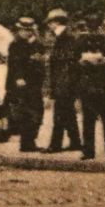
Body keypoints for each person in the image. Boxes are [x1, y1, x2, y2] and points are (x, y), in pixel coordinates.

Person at [73, 14, 105, 160]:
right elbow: (71, 63)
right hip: (89, 85)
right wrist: (81, 63)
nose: (94, 31)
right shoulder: (80, 42)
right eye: (91, 28)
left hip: (104, 85)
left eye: (96, 28)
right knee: (89, 120)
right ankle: (89, 151)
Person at [42, 9, 82, 153]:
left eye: (50, 23)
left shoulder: (66, 38)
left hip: (64, 83)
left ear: (57, 22)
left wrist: (60, 85)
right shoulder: (64, 37)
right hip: (64, 83)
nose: (49, 26)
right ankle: (75, 141)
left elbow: (66, 64)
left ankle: (55, 144)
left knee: (59, 115)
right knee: (68, 114)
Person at [4, 17, 46, 152]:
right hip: (21, 85)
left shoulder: (34, 44)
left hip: (34, 84)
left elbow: (40, 59)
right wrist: (19, 77)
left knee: (37, 112)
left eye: (30, 30)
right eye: (24, 30)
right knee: (26, 113)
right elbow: (15, 65)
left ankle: (30, 141)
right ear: (19, 30)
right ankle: (26, 143)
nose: (27, 33)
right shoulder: (15, 45)